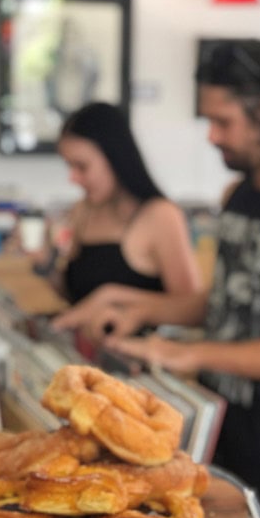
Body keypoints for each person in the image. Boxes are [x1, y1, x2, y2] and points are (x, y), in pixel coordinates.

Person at [54, 40, 260, 518]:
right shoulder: (237, 193)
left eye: (223, 121)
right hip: (221, 424)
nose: (212, 136)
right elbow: (226, 304)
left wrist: (186, 353)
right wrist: (139, 309)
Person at [42, 101, 202, 340]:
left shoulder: (161, 215)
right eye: (69, 166)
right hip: (87, 351)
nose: (73, 178)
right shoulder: (81, 211)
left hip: (139, 355)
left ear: (115, 157)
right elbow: (77, 300)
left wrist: (113, 297)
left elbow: (191, 308)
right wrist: (45, 263)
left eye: (82, 166)